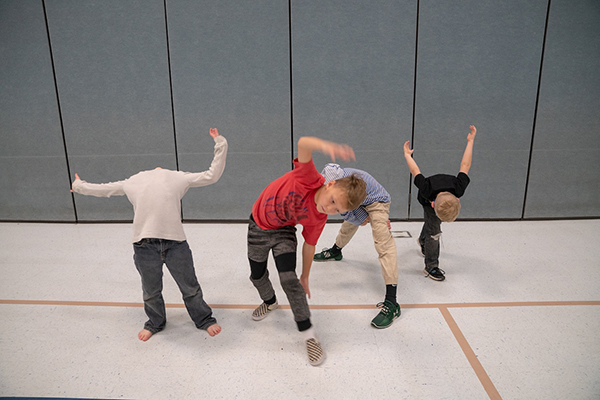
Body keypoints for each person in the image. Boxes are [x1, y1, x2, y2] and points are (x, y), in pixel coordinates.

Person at [71, 128, 228, 341]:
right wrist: (219, 142)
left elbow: (102, 189)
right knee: (157, 289)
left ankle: (203, 319)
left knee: (181, 287)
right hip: (146, 245)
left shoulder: (174, 178)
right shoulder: (141, 180)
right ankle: (157, 322)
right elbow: (212, 175)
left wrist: (79, 186)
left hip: (173, 244)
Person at [248, 136, 367, 366]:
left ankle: (309, 336)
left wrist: (305, 275)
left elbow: (309, 244)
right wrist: (329, 147)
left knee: (289, 280)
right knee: (256, 275)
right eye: (332, 201)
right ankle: (270, 301)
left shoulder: (319, 217)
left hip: (283, 231)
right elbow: (303, 143)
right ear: (329, 185)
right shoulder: (309, 178)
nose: (329, 208)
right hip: (257, 227)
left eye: (336, 210)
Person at [313, 164, 400, 329]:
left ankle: (392, 302)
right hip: (355, 197)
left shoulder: (342, 195)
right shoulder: (329, 178)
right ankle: (335, 251)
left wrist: (378, 220)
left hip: (377, 201)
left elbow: (357, 217)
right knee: (348, 221)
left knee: (383, 242)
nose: (329, 206)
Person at [403, 125, 477, 281]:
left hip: (440, 194)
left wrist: (470, 141)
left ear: (457, 199)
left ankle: (423, 240)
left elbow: (465, 165)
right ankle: (431, 266)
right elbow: (415, 171)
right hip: (426, 198)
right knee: (434, 231)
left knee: (432, 223)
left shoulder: (458, 187)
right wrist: (407, 155)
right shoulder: (426, 189)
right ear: (433, 205)